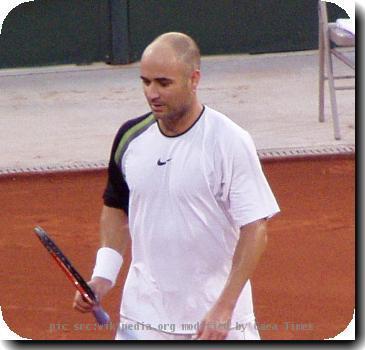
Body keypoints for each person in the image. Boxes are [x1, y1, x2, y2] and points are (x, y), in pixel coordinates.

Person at [73, 32, 280, 341]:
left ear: (194, 79)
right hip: (143, 321)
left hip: (215, 324)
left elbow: (255, 229)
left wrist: (224, 308)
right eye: (145, 82)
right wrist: (104, 275)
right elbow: (116, 206)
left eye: (163, 83)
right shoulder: (130, 138)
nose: (152, 93)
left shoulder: (229, 142)